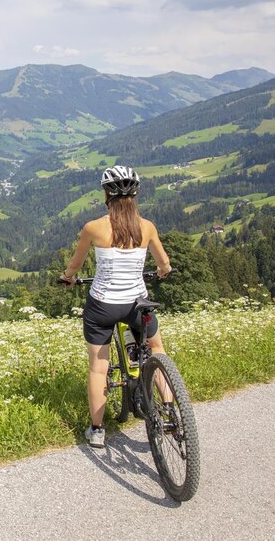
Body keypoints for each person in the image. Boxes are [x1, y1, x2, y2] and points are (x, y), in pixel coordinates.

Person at [59, 165, 171, 448]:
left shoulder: (94, 228)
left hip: (103, 306)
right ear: (135, 194)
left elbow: (75, 265)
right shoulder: (147, 227)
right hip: (137, 305)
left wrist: (68, 277)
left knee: (99, 366)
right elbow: (164, 264)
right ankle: (170, 410)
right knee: (156, 349)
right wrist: (162, 271)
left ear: (106, 194)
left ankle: (97, 431)